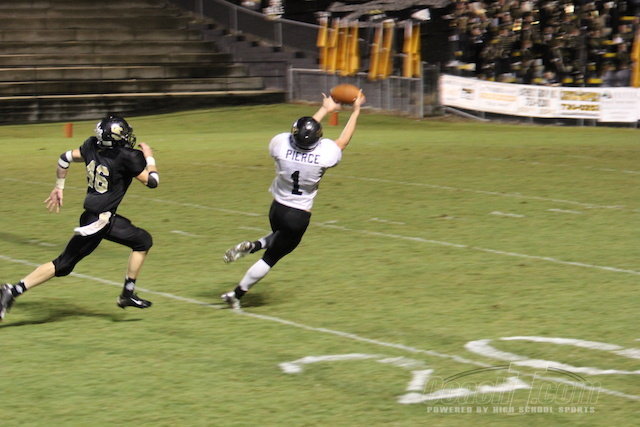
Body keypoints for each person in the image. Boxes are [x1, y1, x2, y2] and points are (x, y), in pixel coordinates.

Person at [0, 114, 160, 321]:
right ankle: (12, 291)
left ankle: (127, 294)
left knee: (142, 240)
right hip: (99, 222)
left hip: (96, 217)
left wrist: (59, 187)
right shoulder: (127, 156)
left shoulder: (91, 145)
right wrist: (149, 157)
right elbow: (153, 182)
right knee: (62, 264)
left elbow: (64, 158)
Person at [220, 91, 365, 309]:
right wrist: (356, 111)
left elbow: (301, 133)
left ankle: (255, 245)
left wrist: (324, 109)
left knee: (279, 237)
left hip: (277, 208)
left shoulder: (279, 144)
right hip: (298, 215)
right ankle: (237, 294)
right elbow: (342, 141)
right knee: (272, 257)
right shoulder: (325, 155)